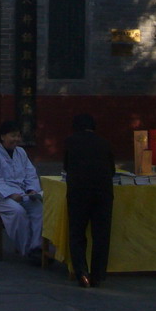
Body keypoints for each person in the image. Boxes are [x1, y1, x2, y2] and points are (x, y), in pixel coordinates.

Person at [64, 113, 115, 288]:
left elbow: (66, 166)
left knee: (77, 233)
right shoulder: (104, 143)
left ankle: (82, 274)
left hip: (78, 192)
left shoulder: (70, 141)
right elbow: (112, 170)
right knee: (101, 234)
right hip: (103, 193)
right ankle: (98, 275)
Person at [0, 120, 43, 262]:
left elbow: (30, 173)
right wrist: (10, 194)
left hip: (22, 193)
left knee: (39, 209)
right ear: (3, 136)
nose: (16, 139)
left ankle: (36, 246)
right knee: (18, 212)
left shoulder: (21, 152)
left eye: (18, 136)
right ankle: (26, 248)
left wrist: (32, 190)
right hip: (0, 197)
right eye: (13, 136)